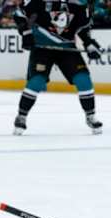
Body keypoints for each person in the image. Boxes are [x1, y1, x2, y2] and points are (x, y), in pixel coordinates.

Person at [13, 0, 103, 135]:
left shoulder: (79, 3)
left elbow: (82, 28)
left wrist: (89, 43)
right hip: (42, 47)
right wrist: (26, 32)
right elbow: (20, 14)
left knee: (83, 79)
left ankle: (90, 116)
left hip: (67, 48)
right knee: (37, 81)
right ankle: (22, 116)